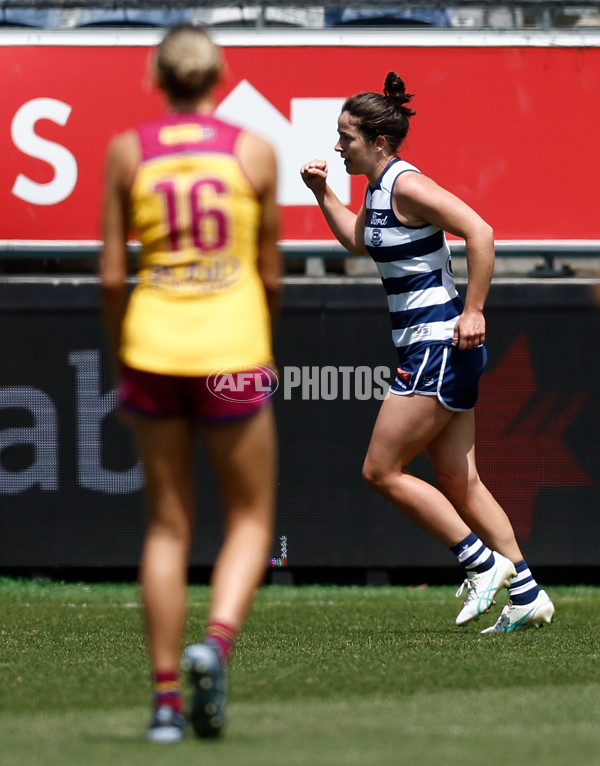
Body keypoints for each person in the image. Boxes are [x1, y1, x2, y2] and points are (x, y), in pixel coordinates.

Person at [300, 72, 554, 634]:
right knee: (460, 481)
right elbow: (358, 240)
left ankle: (480, 562)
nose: (338, 146)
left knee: (380, 470)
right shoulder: (379, 187)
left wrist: (475, 310)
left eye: (347, 137)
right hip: (439, 349)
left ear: (379, 143)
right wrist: (323, 195)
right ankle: (528, 592)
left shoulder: (406, 184)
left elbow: (481, 232)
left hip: (438, 345)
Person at [100, 24, 281, 743]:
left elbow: (114, 275)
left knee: (168, 526)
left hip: (152, 344)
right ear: (217, 76)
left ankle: (166, 704)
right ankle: (218, 643)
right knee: (250, 520)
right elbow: (270, 273)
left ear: (157, 79)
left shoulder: (125, 151)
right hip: (233, 345)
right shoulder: (255, 150)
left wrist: (122, 352)